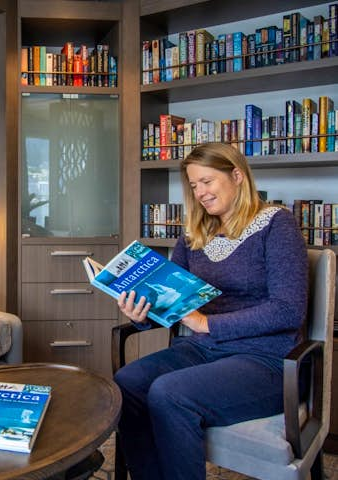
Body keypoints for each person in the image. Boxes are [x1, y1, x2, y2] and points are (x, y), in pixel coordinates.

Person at [114, 142, 308, 480]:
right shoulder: (193, 235)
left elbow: (288, 310)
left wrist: (207, 323)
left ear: (236, 176)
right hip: (201, 351)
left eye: (207, 181)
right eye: (193, 185)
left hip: (265, 359)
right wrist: (142, 315)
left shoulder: (277, 224)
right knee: (126, 382)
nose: (200, 193)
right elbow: (173, 304)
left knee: (168, 392)